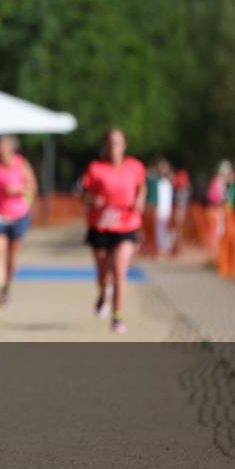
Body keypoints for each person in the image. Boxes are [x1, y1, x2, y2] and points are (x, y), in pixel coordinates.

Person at [80, 128, 147, 334]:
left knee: (119, 270)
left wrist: (140, 199)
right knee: (103, 274)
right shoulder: (95, 168)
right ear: (104, 146)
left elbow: (142, 187)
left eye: (117, 142)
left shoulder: (135, 167)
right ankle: (103, 294)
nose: (113, 147)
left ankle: (117, 317)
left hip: (127, 225)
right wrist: (94, 200)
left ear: (124, 146)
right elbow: (83, 196)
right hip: (100, 225)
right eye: (110, 142)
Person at [0, 135, 37, 305]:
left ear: (11, 148)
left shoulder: (21, 164)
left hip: (18, 214)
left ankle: (7, 285)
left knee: (12, 255)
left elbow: (32, 187)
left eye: (1, 146)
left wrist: (19, 190)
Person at [154, 159, 174, 256]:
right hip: (159, 210)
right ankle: (160, 248)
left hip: (167, 209)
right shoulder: (157, 182)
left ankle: (167, 247)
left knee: (167, 229)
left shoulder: (168, 182)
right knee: (159, 230)